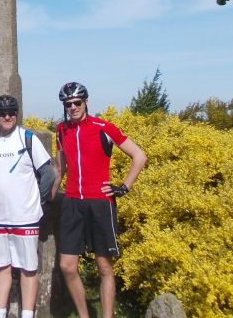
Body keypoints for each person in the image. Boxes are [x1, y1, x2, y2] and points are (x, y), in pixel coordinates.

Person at [54, 82, 147, 318]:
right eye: (68, 104)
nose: (72, 107)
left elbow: (139, 156)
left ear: (86, 102)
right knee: (67, 266)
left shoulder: (103, 127)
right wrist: (49, 195)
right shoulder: (61, 130)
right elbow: (60, 168)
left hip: (100, 202)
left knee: (104, 266)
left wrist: (124, 187)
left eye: (76, 103)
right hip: (73, 201)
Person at [0, 94, 57, 318]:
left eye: (11, 113)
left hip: (25, 217)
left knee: (28, 268)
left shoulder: (27, 138)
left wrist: (38, 200)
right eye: (2, 113)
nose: (7, 117)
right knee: (1, 266)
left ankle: (27, 314)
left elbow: (48, 173)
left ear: (17, 114)